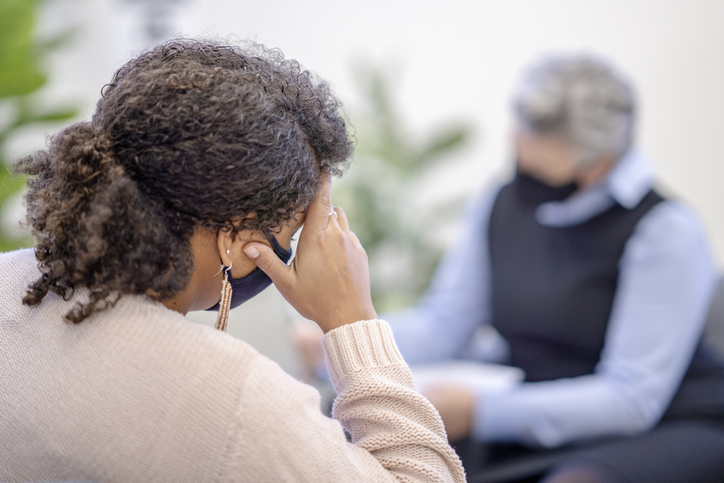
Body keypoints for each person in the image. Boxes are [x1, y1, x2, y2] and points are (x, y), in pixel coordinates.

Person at [0, 39, 465, 483]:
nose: (289, 254)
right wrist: (352, 319)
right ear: (235, 237)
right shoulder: (229, 400)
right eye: (287, 237)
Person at [386, 55, 724, 482]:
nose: (524, 177)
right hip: (539, 413)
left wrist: (480, 411)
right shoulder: (499, 203)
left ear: (600, 164)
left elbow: (631, 400)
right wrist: (340, 336)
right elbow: (446, 323)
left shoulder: (664, 231)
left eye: (542, 171)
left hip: (669, 424)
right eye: (520, 157)